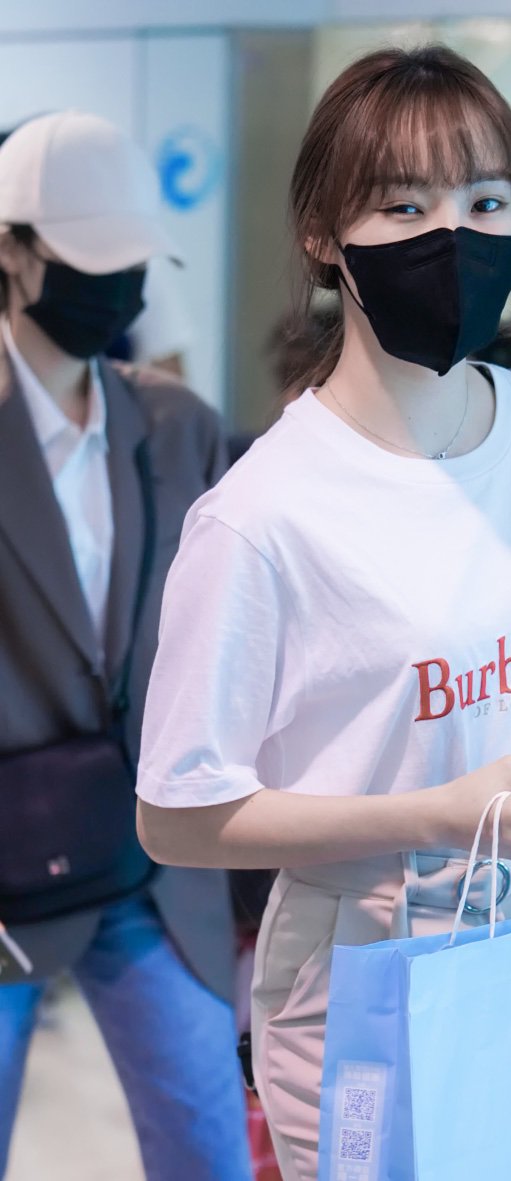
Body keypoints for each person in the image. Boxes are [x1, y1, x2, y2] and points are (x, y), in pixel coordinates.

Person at [135, 48, 511, 1181]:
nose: (453, 236)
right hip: (368, 961)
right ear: (323, 234)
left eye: (486, 201)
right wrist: (434, 816)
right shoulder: (261, 515)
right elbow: (175, 814)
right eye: (405, 206)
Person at [0, 111, 252, 1179]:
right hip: (7, 863)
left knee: (207, 1142)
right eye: (88, 260)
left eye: (130, 264)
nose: (115, 288)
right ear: (13, 252)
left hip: (150, 859)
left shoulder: (174, 422)